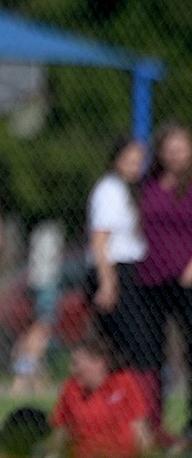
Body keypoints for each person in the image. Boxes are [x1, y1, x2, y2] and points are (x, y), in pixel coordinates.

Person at [135, 124, 192, 444]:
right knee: (151, 355)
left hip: (185, 279)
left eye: (181, 148)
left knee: (189, 352)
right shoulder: (149, 185)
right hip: (151, 279)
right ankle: (154, 425)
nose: (175, 154)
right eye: (170, 149)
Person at [84, 137, 148, 402]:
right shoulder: (109, 189)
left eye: (139, 160)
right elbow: (100, 240)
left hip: (128, 271)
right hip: (113, 271)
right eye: (130, 159)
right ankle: (115, 408)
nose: (135, 165)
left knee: (132, 345)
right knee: (127, 346)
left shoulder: (127, 190)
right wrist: (107, 282)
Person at [46, 335, 153, 458]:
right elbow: (60, 432)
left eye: (76, 363)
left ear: (98, 362)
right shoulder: (71, 388)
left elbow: (140, 430)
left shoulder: (124, 382)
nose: (72, 369)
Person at [10, 220, 64, 396]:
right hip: (46, 283)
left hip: (40, 281)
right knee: (39, 335)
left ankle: (36, 380)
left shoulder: (41, 231)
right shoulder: (50, 231)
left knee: (37, 335)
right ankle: (22, 378)